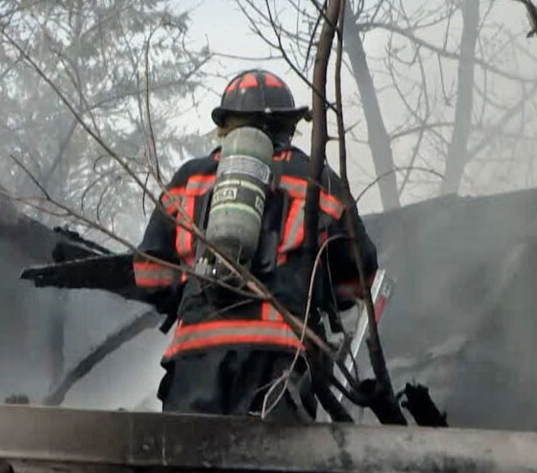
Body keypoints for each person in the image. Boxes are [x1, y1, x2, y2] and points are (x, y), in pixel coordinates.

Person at [133, 69, 378, 423]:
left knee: (189, 454)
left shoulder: (190, 179)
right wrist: (318, 288)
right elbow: (360, 278)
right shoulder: (317, 180)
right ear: (289, 126)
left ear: (226, 125)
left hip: (196, 356)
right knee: (274, 457)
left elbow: (148, 276)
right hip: (278, 358)